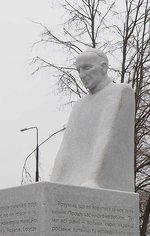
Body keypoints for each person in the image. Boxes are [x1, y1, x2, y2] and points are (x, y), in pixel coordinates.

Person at [50, 48, 135, 192]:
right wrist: (53, 183)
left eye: (87, 68)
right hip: (78, 184)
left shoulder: (120, 91)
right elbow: (66, 149)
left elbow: (107, 136)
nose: (82, 75)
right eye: (78, 70)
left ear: (103, 67)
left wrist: (93, 180)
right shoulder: (79, 105)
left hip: (104, 184)